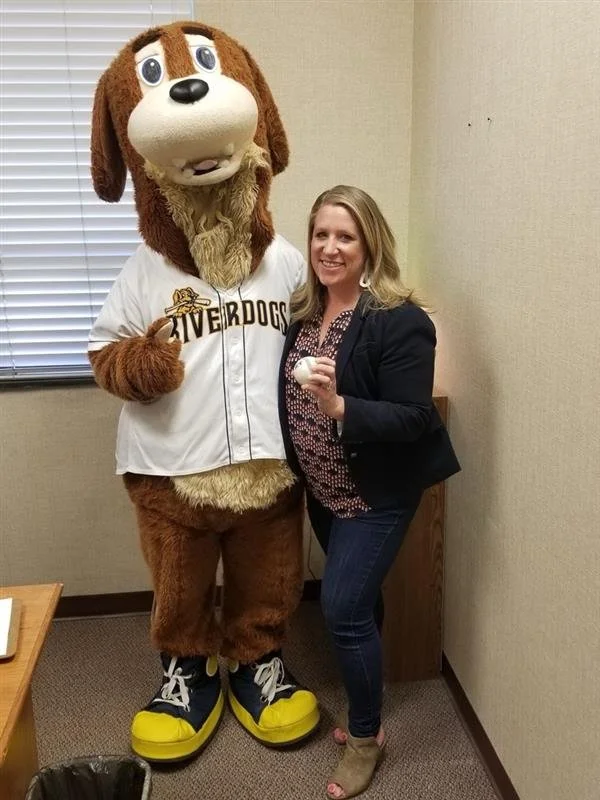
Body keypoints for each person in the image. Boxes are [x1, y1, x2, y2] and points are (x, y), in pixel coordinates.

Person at [278, 186, 460, 799]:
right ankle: (370, 705)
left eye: (345, 237)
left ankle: (364, 738)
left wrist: (337, 406)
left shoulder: (398, 319)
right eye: (321, 235)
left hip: (373, 495)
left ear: (369, 243)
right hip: (324, 490)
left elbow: (413, 418)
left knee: (342, 608)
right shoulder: (305, 311)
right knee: (360, 601)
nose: (330, 248)